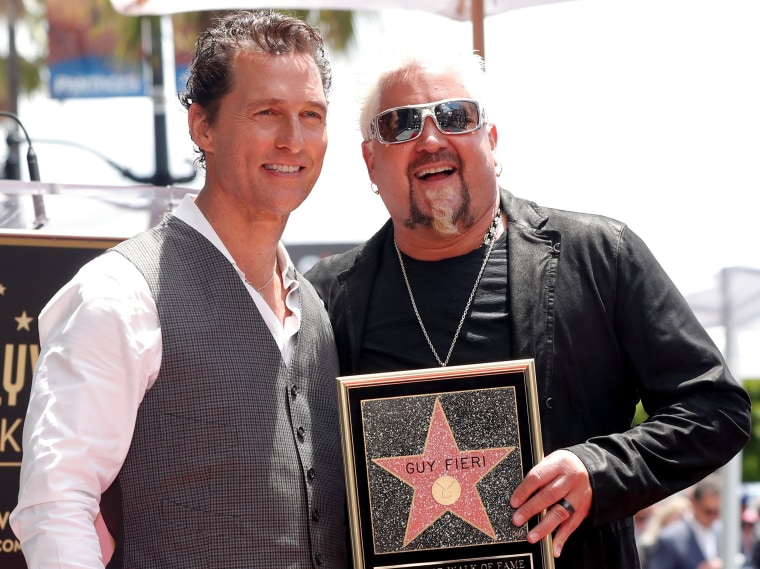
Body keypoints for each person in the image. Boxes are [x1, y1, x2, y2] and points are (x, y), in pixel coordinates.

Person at [304, 49, 751, 568]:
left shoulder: (599, 255)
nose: (429, 139)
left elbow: (716, 409)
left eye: (455, 116)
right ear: (370, 162)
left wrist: (599, 470)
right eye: (399, 125)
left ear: (491, 142)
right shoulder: (326, 297)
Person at [11, 10, 347, 569]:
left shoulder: (313, 308)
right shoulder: (121, 292)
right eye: (267, 113)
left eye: (310, 115)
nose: (293, 139)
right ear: (202, 127)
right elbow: (56, 506)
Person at [648, 477, 723, 569]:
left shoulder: (724, 533)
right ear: (694, 504)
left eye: (718, 512)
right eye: (708, 512)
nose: (713, 517)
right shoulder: (670, 539)